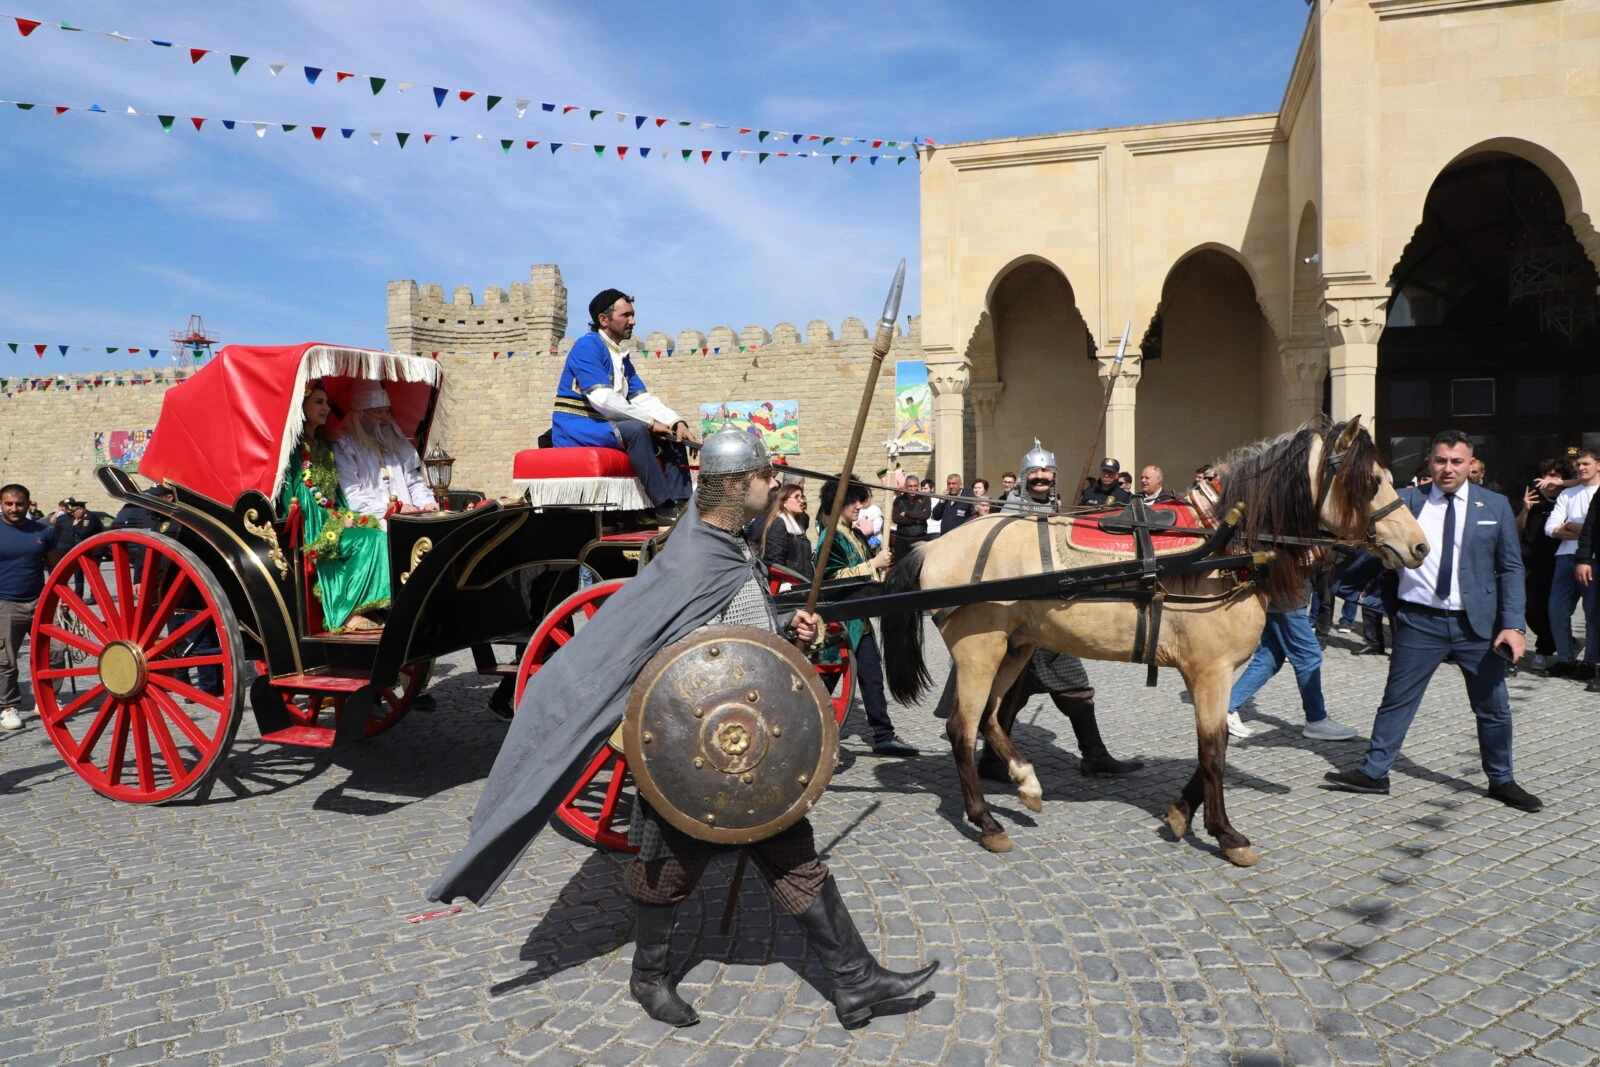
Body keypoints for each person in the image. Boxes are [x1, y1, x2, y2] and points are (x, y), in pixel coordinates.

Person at [428, 424, 938, 1030]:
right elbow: (675, 657)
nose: (774, 485)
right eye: (764, 477)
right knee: (666, 868)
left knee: (792, 853)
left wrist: (790, 636)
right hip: (686, 749)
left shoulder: (731, 547)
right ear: (735, 485)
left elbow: (737, 644)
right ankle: (649, 977)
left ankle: (854, 981)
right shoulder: (695, 557)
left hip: (739, 743)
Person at [1325, 429, 1540, 812]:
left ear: (1470, 464)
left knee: (1493, 706)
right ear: (1429, 461)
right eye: (1441, 460)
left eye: (1457, 461)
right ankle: (1375, 773)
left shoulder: (1495, 506)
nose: (1448, 469)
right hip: (1418, 621)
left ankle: (1502, 780)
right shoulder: (1405, 502)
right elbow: (1368, 542)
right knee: (1396, 701)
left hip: (1478, 626)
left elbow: (1510, 568)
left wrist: (1514, 625)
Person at [967, 439, 1142, 777]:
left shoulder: (1057, 512)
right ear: (1023, 476)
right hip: (1016, 622)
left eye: (1047, 470)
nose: (1041, 476)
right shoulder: (1009, 516)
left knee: (1075, 688)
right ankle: (991, 759)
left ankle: (1094, 755)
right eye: (1035, 470)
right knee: (1005, 696)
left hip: (1050, 622)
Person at [551, 289, 697, 521]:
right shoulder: (587, 346)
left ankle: (683, 504)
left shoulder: (620, 355)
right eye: (626, 315)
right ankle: (664, 507)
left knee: (672, 433)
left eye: (633, 315)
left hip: (607, 425)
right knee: (637, 429)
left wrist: (675, 421)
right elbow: (603, 398)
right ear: (604, 319)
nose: (633, 321)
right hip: (578, 427)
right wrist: (649, 423)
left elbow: (640, 398)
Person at [816, 476, 919, 757]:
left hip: (859, 621)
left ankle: (883, 735)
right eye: (853, 501)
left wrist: (876, 563)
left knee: (872, 678)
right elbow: (827, 580)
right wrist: (872, 564)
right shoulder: (830, 536)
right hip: (838, 622)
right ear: (839, 503)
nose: (859, 506)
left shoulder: (853, 533)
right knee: (826, 682)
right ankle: (809, 730)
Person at [285, 382, 395, 632]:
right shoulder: (293, 451)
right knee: (368, 540)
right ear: (301, 407)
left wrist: (347, 516)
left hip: (331, 515)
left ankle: (368, 605)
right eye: (318, 402)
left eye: (327, 403)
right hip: (311, 524)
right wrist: (333, 522)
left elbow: (333, 495)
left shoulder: (324, 448)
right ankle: (346, 613)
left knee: (378, 534)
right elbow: (300, 496)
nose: (325, 408)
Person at [1226, 567, 1359, 741]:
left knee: (1268, 660)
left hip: (1284, 596)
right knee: (1309, 657)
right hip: (1286, 598)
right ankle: (1316, 719)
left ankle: (1225, 708)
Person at [334, 384, 439, 524]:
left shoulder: (394, 442)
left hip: (409, 518)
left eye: (387, 412)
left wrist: (427, 503)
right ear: (361, 416)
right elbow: (352, 494)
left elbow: (414, 482)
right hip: (371, 521)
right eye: (378, 412)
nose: (385, 418)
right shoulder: (345, 446)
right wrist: (390, 509)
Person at [0, 484, 60, 730]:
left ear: (28, 503)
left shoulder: (44, 531)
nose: (14, 508)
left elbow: (55, 567)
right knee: (6, 659)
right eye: (9, 504)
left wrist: (62, 598)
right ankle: (8, 706)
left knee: (56, 651)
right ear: (1, 504)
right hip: (5, 602)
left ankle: (46, 698)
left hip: (39, 600)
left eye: (19, 503)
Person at [1542, 449, 1599, 678]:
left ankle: (1590, 662)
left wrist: (1571, 527)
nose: (1581, 468)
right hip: (1565, 557)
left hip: (1594, 559)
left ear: (1598, 465)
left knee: (1593, 612)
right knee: (1556, 609)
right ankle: (1566, 658)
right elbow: (1550, 527)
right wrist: (1585, 530)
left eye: (1586, 463)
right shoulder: (1568, 494)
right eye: (1578, 465)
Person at [1519, 457, 1571, 670]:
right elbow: (1517, 530)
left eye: (1556, 476)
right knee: (1531, 609)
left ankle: (1545, 649)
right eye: (1548, 474)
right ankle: (1556, 643)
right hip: (1531, 560)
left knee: (1555, 609)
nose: (1550, 480)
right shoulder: (1531, 496)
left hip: (1558, 560)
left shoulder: (1567, 497)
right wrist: (1525, 509)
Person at [748, 482, 813, 578]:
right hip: (788, 586)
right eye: (797, 497)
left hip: (802, 583)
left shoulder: (799, 525)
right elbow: (775, 562)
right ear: (784, 501)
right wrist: (786, 583)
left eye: (802, 497)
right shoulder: (779, 523)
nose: (802, 501)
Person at [890, 476, 930, 561]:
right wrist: (916, 520)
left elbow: (926, 515)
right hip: (902, 540)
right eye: (910, 486)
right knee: (901, 567)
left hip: (919, 539)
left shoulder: (924, 497)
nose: (913, 488)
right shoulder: (899, 499)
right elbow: (895, 518)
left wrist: (906, 513)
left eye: (915, 486)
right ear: (905, 486)